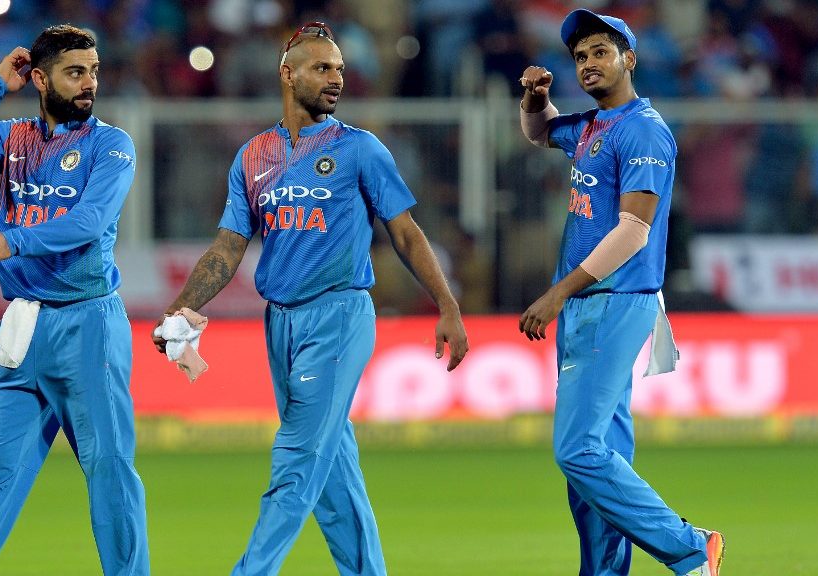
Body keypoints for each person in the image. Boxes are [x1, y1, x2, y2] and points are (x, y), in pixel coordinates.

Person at [152, 22, 468, 576]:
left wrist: (448, 305)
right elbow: (228, 247)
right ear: (287, 73)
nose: (336, 78)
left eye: (339, 69)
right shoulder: (253, 156)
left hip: (339, 315)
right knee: (333, 473)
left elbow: (406, 233)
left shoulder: (360, 148)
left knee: (296, 458)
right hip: (280, 322)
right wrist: (180, 309)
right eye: (323, 68)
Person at [0, 25, 149, 576]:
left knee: (110, 473)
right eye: (75, 72)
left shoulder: (111, 145)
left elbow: (89, 222)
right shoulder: (12, 138)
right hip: (23, 329)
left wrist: (12, 240)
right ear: (41, 80)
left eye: (93, 71)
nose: (89, 83)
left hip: (87, 324)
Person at [517, 9, 725, 576]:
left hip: (614, 299)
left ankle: (690, 547)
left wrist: (558, 292)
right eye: (580, 56)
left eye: (600, 52)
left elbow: (634, 231)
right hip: (592, 303)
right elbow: (539, 132)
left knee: (577, 451)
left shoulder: (643, 131)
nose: (588, 63)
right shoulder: (593, 126)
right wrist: (536, 98)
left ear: (629, 59)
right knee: (599, 459)